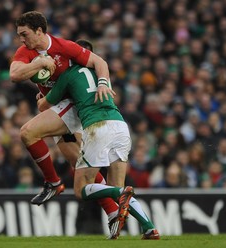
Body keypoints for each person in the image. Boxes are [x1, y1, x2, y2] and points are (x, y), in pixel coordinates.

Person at [37, 61, 160, 239]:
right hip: (120, 126)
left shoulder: (70, 74)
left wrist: (40, 96)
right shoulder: (100, 74)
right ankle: (149, 228)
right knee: (118, 188)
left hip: (98, 127)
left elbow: (44, 105)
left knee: (81, 189)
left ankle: (118, 193)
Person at [10, 11, 114, 206]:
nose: (21, 39)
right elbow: (15, 74)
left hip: (73, 105)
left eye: (24, 34)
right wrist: (40, 62)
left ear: (39, 31)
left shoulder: (63, 47)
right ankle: (115, 211)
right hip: (56, 108)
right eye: (19, 35)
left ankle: (53, 182)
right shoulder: (26, 51)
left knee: (27, 132)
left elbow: (99, 62)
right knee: (78, 163)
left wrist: (102, 83)